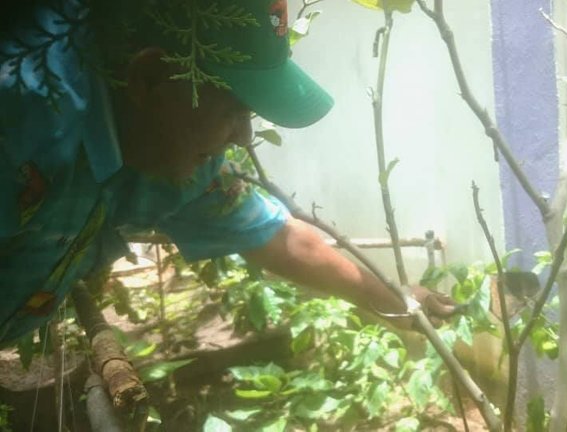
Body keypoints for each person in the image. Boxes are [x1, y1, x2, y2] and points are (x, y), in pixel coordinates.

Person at [0, 0, 456, 344]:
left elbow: (274, 235)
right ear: (150, 79)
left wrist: (389, 297)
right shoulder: (23, 128)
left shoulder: (167, 155)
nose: (242, 137)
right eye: (235, 111)